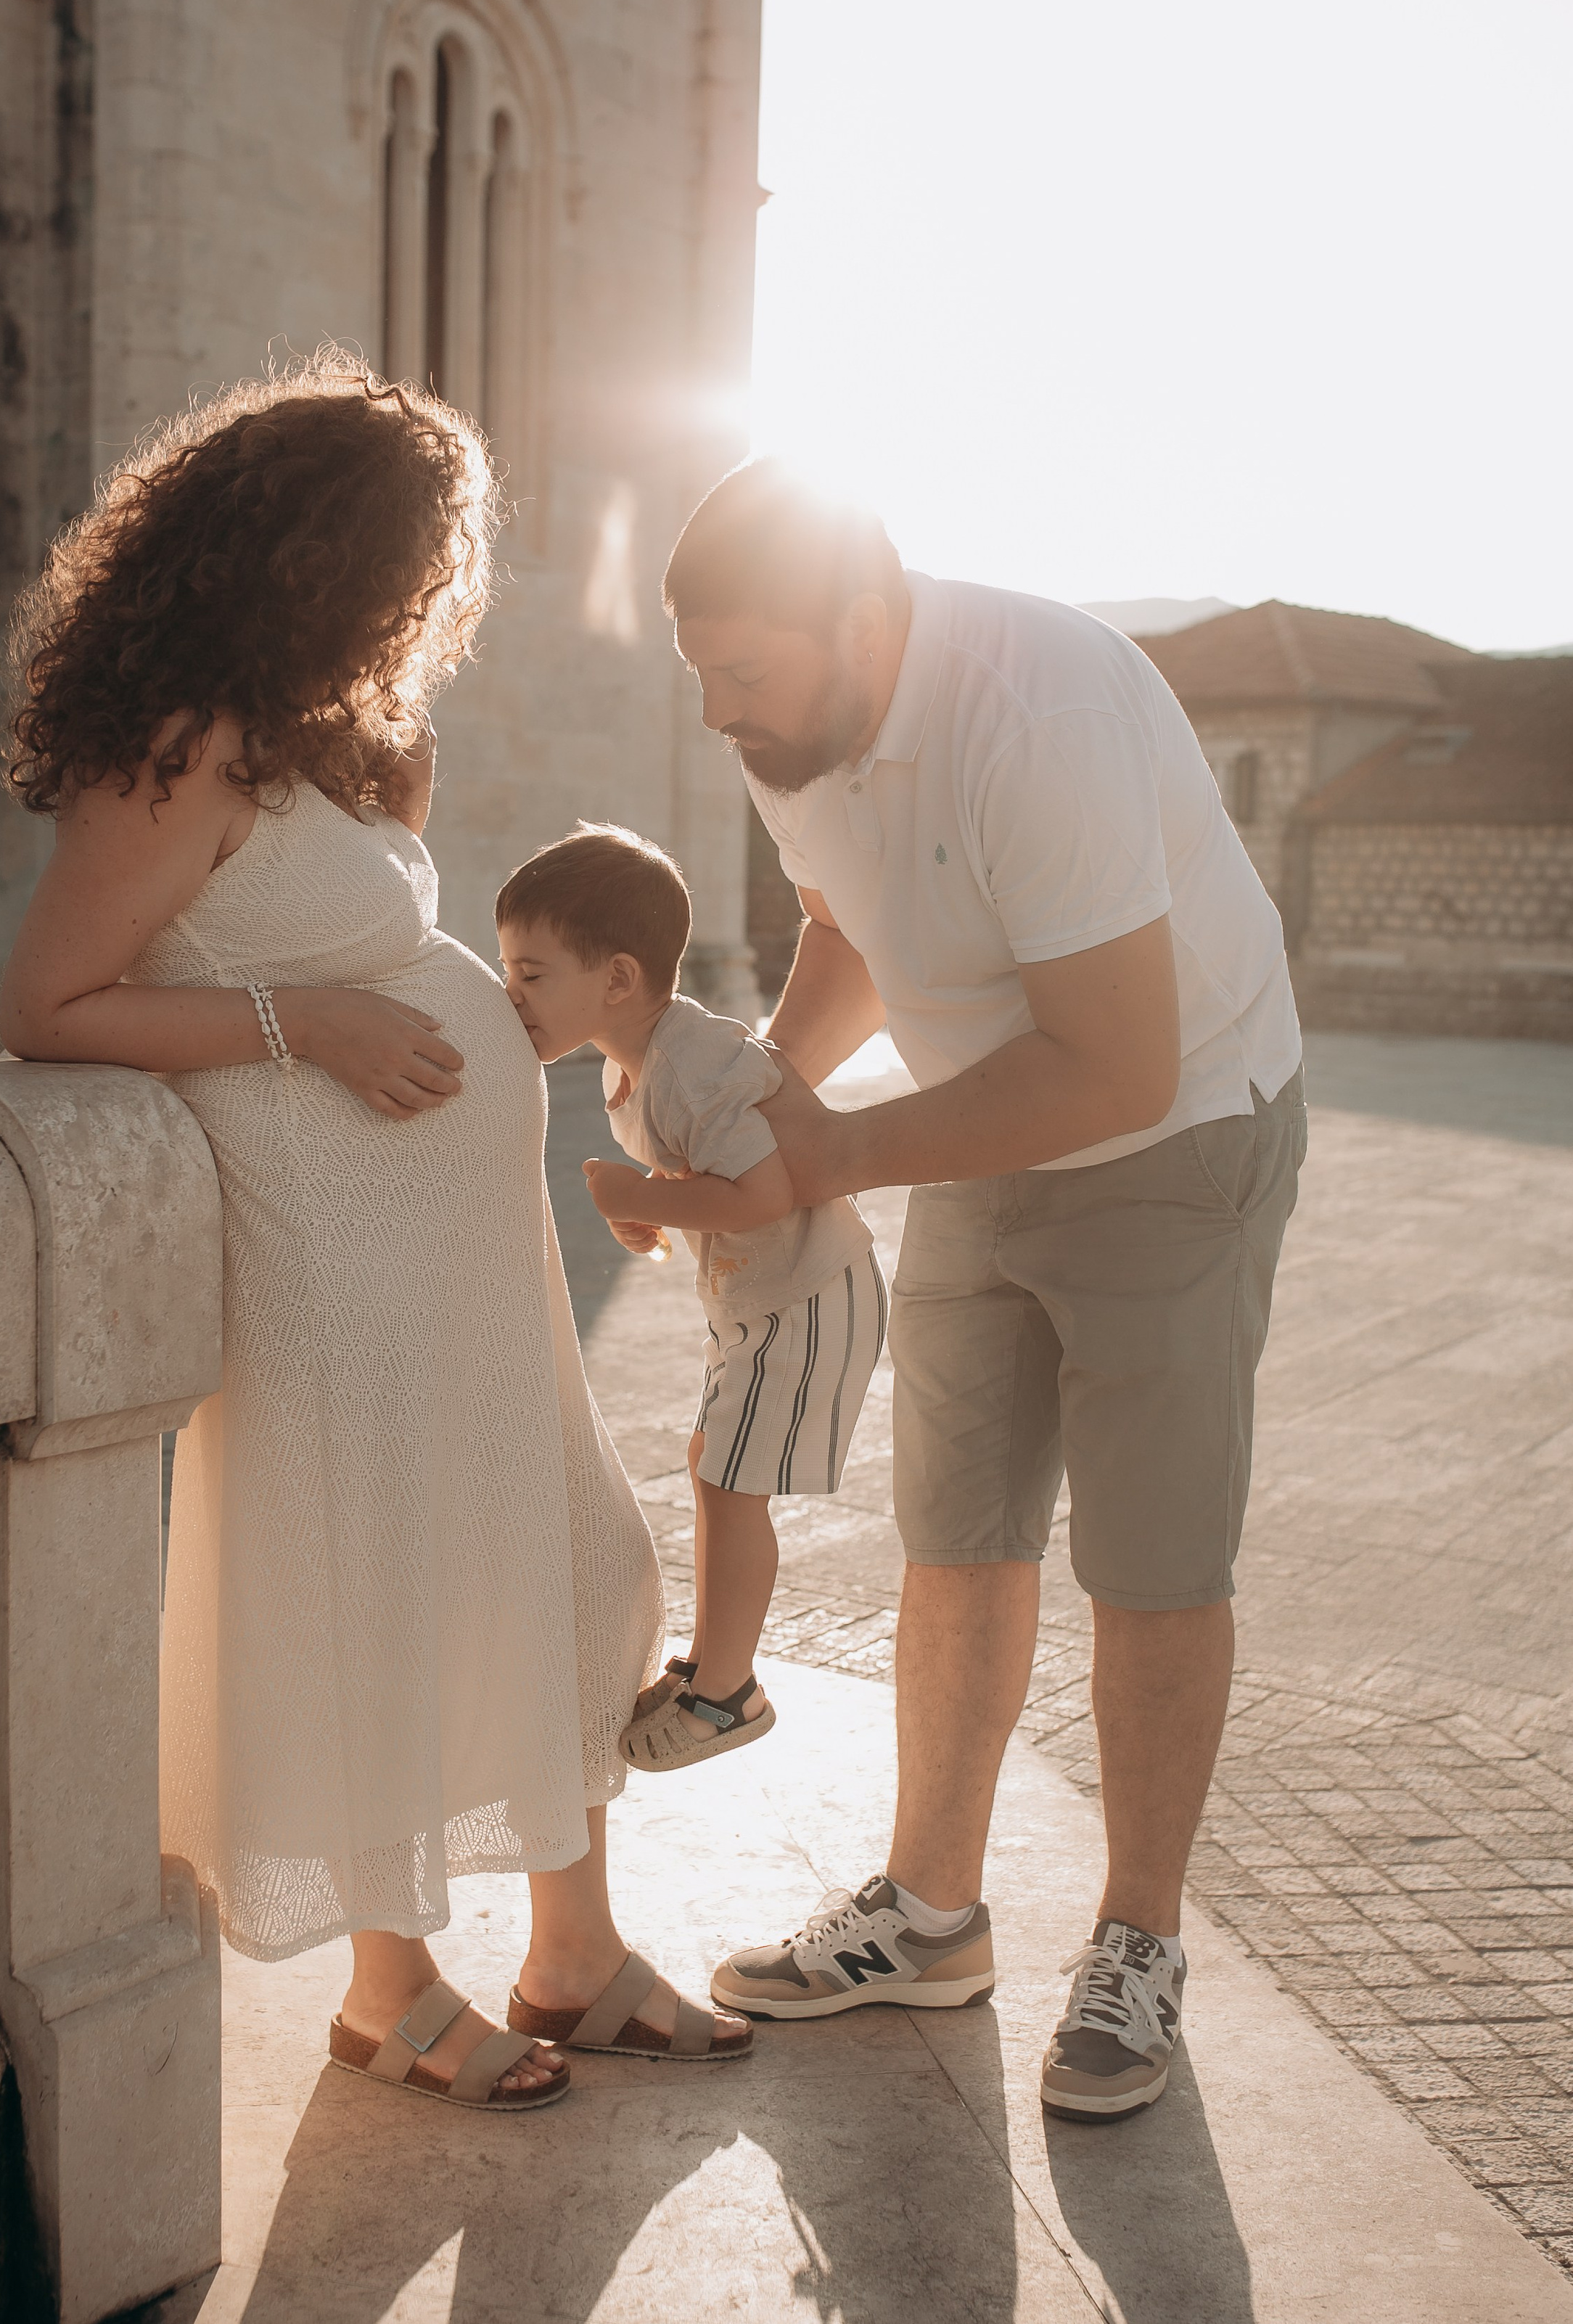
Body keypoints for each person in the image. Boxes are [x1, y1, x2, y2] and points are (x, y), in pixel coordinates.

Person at [0, 352, 751, 2114]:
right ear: (320, 559)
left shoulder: (335, 742)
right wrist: (308, 1026)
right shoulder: (174, 752)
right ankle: (390, 1991)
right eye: (414, 568)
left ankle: (572, 1955)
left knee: (572, 1568)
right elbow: (49, 1005)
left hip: (466, 1272)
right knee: (384, 1602)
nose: (428, 606)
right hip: (330, 1265)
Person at [669, 461, 1305, 2119]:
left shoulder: (1039, 712)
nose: (719, 712)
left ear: (863, 619)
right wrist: (760, 1105)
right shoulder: (787, 731)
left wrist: (829, 1158)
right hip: (982, 1121)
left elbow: (1113, 1066)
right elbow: (845, 926)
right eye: (703, 675)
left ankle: (1139, 1942)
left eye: (744, 672)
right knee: (955, 1534)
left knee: (1149, 1561)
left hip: (1173, 1132)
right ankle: (930, 1916)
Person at [494, 824, 885, 1773]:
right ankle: (712, 1665)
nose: (511, 994)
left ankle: (728, 1696)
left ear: (618, 979)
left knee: (730, 1484)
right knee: (715, 1466)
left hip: (807, 1293)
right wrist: (653, 1211)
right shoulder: (628, 1062)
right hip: (759, 1300)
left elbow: (766, 1191)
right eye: (509, 970)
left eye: (532, 973)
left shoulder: (692, 1062)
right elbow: (710, 1179)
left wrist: (638, 1196)